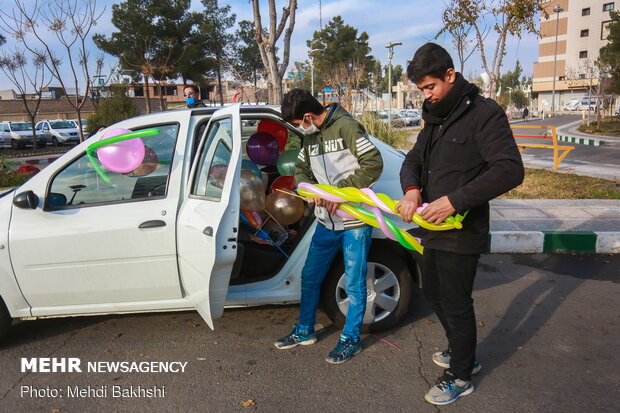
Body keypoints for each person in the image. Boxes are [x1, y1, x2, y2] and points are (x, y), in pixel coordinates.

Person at [396, 43, 524, 405]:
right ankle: (460, 349)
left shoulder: (484, 114)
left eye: (430, 87)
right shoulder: (435, 116)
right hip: (431, 227)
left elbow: (510, 169)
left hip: (462, 229)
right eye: (421, 89)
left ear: (450, 75)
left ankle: (461, 374)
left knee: (454, 301)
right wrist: (411, 189)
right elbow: (413, 159)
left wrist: (454, 200)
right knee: (433, 293)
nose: (426, 95)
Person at [274, 88, 383, 364]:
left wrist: (339, 193)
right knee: (310, 277)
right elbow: (301, 170)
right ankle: (305, 330)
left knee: (355, 285)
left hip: (355, 222)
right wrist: (305, 187)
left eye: (299, 123)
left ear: (308, 116)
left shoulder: (347, 126)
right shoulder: (310, 139)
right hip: (325, 222)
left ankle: (351, 340)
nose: (300, 128)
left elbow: (373, 163)